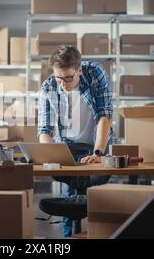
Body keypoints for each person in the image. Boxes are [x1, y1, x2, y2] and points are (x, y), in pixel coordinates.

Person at [37, 45, 113, 237]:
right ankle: (67, 239)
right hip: (68, 146)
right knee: (69, 200)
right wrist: (51, 154)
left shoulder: (95, 73)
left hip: (97, 144)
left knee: (99, 202)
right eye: (58, 77)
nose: (63, 83)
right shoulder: (48, 87)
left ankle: (98, 234)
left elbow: (104, 115)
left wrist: (98, 153)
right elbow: (44, 129)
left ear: (79, 69)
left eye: (68, 77)